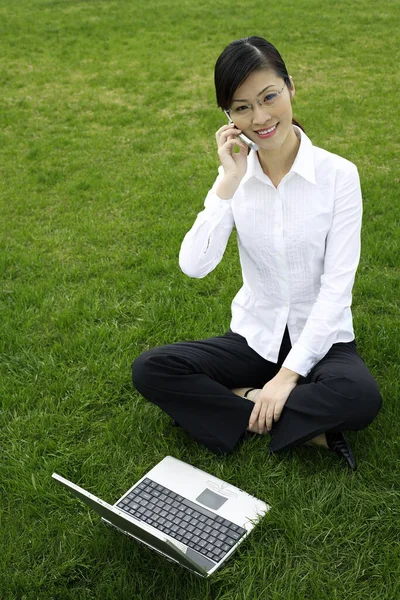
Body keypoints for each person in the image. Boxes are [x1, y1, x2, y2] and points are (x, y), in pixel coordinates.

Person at [132, 36, 382, 470]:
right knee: (152, 368)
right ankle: (298, 424)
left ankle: (237, 403)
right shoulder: (236, 179)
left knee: (359, 398)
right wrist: (226, 184)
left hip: (322, 339)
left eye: (270, 97)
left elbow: (337, 289)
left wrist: (285, 379)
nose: (261, 117)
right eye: (242, 107)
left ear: (290, 88)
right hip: (255, 336)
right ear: (228, 117)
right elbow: (194, 265)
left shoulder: (339, 175)